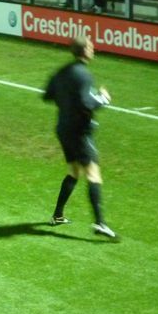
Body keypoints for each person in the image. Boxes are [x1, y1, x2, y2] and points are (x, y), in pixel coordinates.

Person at [43, 37, 117, 239]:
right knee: (93, 174)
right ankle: (100, 223)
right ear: (84, 51)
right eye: (91, 47)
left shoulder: (62, 72)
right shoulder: (83, 74)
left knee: (74, 171)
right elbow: (87, 102)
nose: (94, 50)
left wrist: (67, 100)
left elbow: (47, 95)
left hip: (63, 128)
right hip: (79, 131)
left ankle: (58, 215)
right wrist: (103, 98)